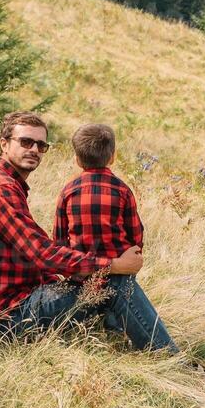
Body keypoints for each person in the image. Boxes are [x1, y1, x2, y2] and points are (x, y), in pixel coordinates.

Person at [0, 111, 176, 352]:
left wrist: (74, 275)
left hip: (0, 303)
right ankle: (167, 356)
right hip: (1, 317)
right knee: (113, 282)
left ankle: (118, 339)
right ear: (4, 144)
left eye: (41, 145)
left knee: (95, 282)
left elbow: (34, 253)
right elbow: (43, 253)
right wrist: (115, 265)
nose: (34, 149)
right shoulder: (1, 189)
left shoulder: (4, 182)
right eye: (25, 142)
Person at [54, 122, 176, 351]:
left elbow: (59, 241)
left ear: (77, 159)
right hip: (119, 274)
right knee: (121, 289)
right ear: (112, 157)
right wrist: (132, 253)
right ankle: (122, 332)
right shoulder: (122, 190)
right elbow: (135, 234)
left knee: (100, 299)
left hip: (81, 279)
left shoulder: (68, 192)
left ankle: (106, 332)